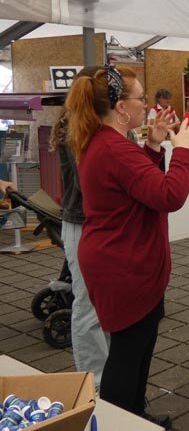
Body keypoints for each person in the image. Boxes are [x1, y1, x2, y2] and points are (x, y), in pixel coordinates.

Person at [66, 65, 189, 429]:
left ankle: (133, 417)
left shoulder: (106, 142)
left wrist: (154, 146)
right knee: (128, 353)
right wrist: (184, 150)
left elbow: (137, 185)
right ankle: (118, 422)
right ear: (120, 107)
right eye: (141, 98)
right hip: (123, 264)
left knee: (138, 346)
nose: (147, 104)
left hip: (123, 258)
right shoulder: (113, 148)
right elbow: (168, 195)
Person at [49, 65, 110, 392]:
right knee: (88, 306)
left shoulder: (87, 127)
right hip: (83, 224)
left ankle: (107, 379)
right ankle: (94, 384)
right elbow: (91, 185)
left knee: (101, 305)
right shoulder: (77, 130)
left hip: (94, 224)